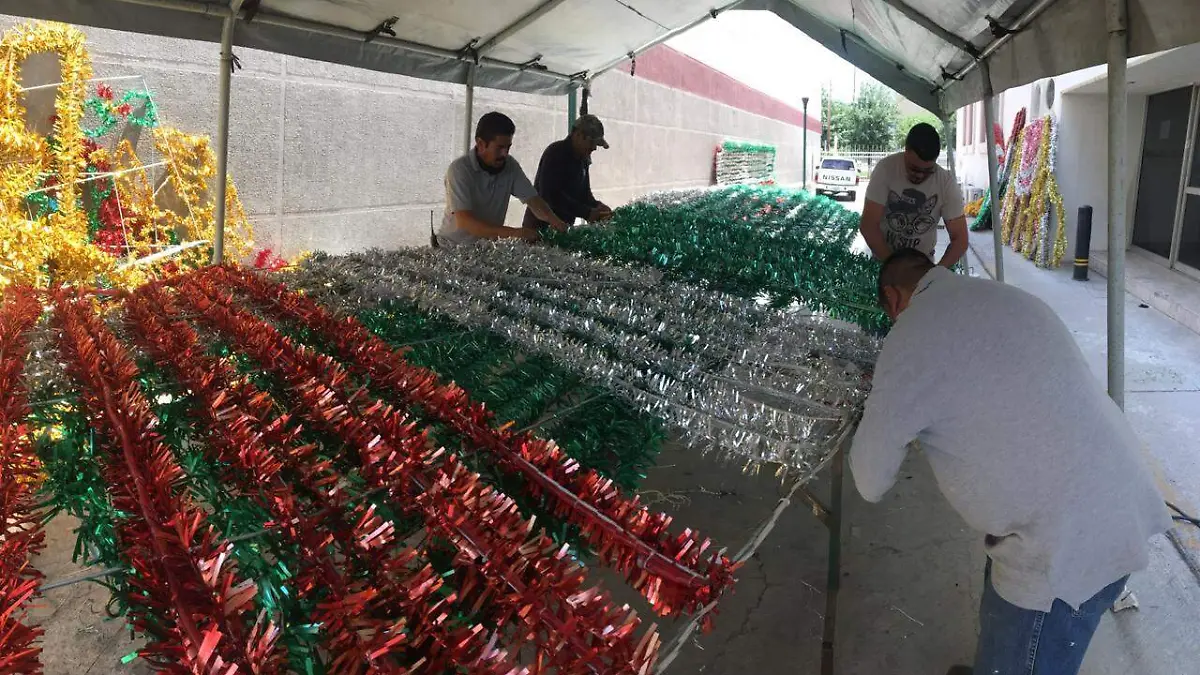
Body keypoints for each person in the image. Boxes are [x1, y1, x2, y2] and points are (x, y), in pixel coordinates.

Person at [851, 249, 1171, 675]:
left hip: (1061, 547)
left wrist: (882, 409)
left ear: (893, 298)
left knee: (1026, 650)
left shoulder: (911, 333)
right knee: (1008, 637)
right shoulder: (1006, 297)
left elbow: (870, 480)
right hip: (1116, 501)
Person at [437, 111, 568, 246]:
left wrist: (554, 220)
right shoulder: (459, 170)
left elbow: (533, 200)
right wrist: (515, 233)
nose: (504, 154)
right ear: (480, 143)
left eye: (508, 147)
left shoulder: (510, 166)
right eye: (499, 148)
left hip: (484, 247)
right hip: (451, 247)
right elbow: (465, 221)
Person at [859, 123, 968, 267]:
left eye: (928, 170)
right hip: (882, 262)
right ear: (906, 150)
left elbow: (960, 239)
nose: (920, 175)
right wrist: (893, 267)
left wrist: (936, 273)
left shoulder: (945, 183)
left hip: (923, 265)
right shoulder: (886, 169)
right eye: (914, 168)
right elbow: (868, 226)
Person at [523, 114, 613, 232]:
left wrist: (597, 207)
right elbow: (551, 195)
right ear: (578, 135)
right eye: (592, 142)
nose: (594, 148)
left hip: (563, 227)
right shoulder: (556, 153)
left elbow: (584, 194)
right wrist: (587, 213)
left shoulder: (583, 159)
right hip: (540, 227)